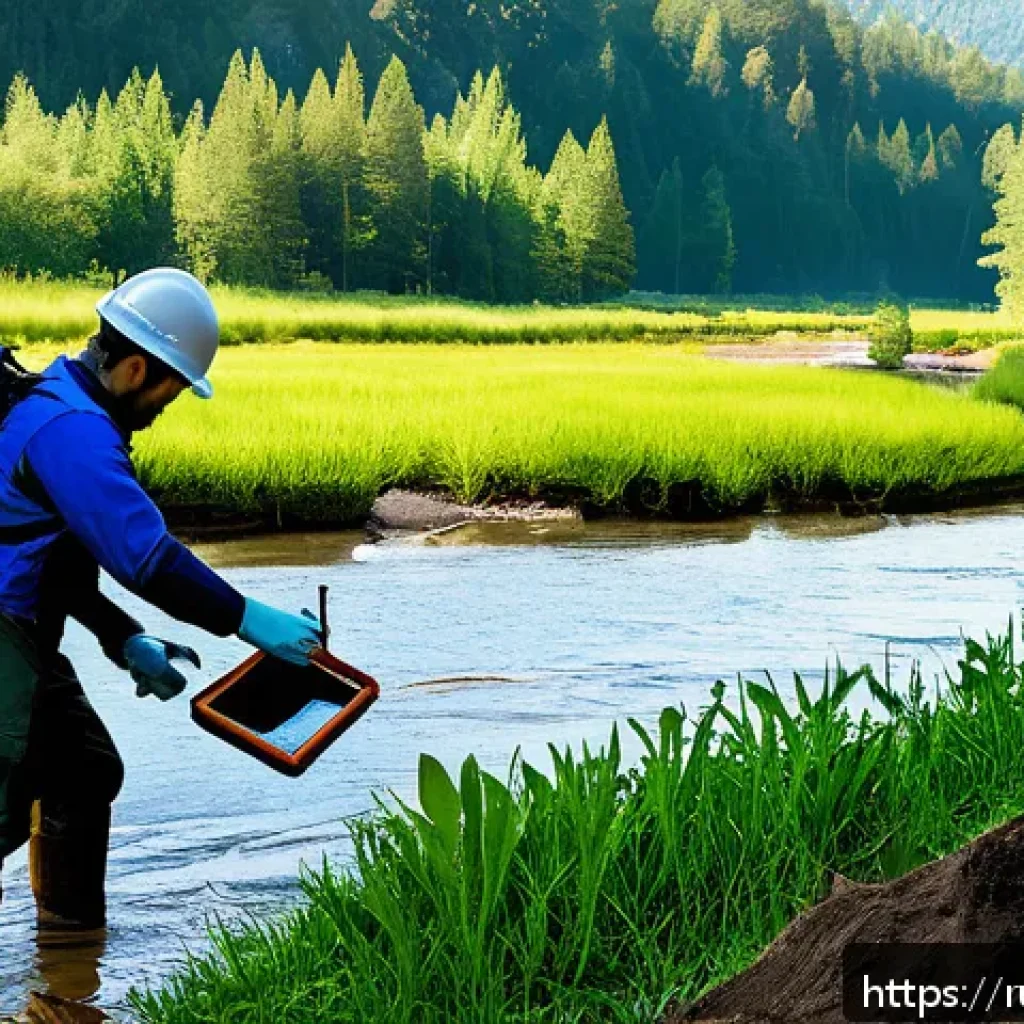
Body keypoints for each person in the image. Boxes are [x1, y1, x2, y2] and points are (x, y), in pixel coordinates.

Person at [0, 267, 323, 930]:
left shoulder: (61, 398)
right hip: (5, 642)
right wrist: (249, 620)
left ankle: (69, 963)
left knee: (85, 771)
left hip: (23, 628)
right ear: (138, 371)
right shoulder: (74, 433)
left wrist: (122, 637)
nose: (167, 406)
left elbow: (53, 561)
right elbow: (147, 558)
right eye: (172, 390)